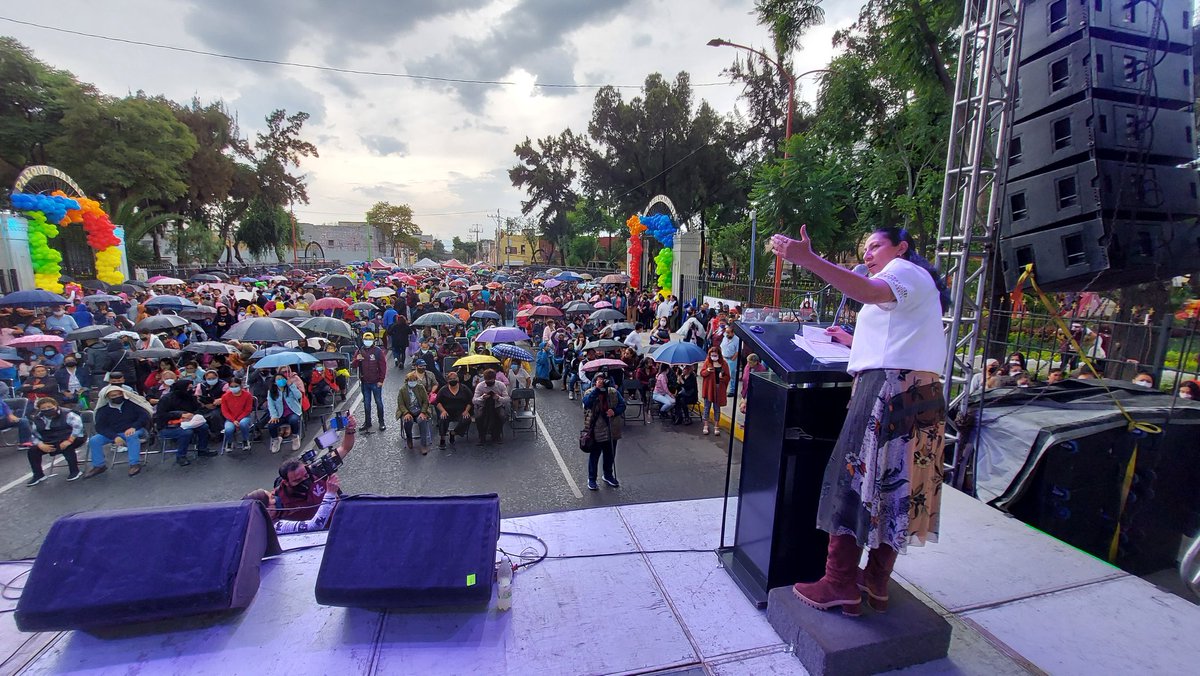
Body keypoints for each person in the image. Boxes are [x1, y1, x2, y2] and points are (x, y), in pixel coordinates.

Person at [771, 224, 948, 617]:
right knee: (900, 487)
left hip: (888, 389)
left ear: (901, 247)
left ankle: (839, 583)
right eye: (864, 248)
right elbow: (901, 335)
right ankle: (876, 581)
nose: (867, 254)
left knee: (854, 476)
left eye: (875, 246)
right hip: (920, 393)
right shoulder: (920, 283)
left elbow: (867, 291)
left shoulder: (901, 270)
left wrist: (808, 260)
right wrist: (854, 344)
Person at [85, 386, 152, 478]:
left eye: (118, 394)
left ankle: (134, 463)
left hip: (136, 430)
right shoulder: (103, 410)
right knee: (94, 440)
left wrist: (134, 427)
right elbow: (101, 427)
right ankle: (99, 465)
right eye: (113, 395)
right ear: (108, 397)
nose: (117, 397)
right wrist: (114, 437)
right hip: (114, 433)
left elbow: (144, 417)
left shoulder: (132, 404)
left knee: (131, 436)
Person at [245, 473, 342, 534]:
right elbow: (314, 526)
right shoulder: (278, 527)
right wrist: (330, 494)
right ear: (266, 510)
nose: (275, 499)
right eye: (271, 498)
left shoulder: (255, 527)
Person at [581, 370, 625, 491]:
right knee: (595, 455)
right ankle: (592, 479)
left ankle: (608, 475)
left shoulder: (613, 392)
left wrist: (615, 411)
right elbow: (587, 403)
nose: (602, 382)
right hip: (596, 430)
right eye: (599, 380)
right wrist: (596, 390)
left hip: (612, 429)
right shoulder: (590, 392)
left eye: (603, 380)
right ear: (595, 382)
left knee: (610, 454)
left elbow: (623, 405)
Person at [26, 397, 85, 486]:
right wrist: (40, 444)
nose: (47, 409)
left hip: (72, 437)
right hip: (50, 439)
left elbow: (78, 428)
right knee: (32, 450)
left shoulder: (68, 414)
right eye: (43, 408)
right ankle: (38, 475)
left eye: (49, 407)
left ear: (55, 405)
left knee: (66, 446)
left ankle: (75, 471)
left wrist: (69, 440)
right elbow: (34, 434)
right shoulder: (37, 418)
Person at [155, 379, 210, 465]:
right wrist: (180, 415)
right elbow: (161, 415)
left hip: (189, 422)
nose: (191, 390)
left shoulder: (191, 397)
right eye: (188, 388)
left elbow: (198, 409)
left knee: (204, 426)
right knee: (187, 432)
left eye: (192, 388)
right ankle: (181, 456)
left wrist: (193, 416)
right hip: (167, 426)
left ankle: (202, 449)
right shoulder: (166, 399)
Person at [353, 332, 387, 432]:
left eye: (369, 339)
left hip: (376, 382)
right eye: (366, 339)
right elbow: (354, 365)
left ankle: (381, 422)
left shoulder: (377, 351)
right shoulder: (360, 350)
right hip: (365, 382)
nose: (367, 341)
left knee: (379, 402)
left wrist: (381, 380)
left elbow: (383, 366)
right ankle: (367, 422)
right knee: (366, 404)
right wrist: (357, 360)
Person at [266, 372, 304, 454]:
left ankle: (295, 437)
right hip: (280, 415)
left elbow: (299, 396)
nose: (281, 380)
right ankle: (276, 440)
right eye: (278, 379)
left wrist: (292, 386)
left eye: (282, 378)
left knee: (293, 420)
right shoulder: (271, 392)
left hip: (292, 412)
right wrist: (274, 416)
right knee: (271, 425)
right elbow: (271, 405)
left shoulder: (290, 387)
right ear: (275, 383)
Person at [396, 371, 433, 453]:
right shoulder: (402, 390)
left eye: (414, 380)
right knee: (408, 421)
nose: (412, 382)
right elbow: (401, 404)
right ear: (407, 381)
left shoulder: (420, 388)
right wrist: (406, 413)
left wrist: (423, 412)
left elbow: (426, 402)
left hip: (420, 410)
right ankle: (409, 438)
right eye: (411, 380)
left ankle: (423, 445)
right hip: (408, 410)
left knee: (422, 421)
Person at [436, 371, 473, 448]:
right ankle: (442, 439)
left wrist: (466, 411)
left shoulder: (464, 388)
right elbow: (438, 402)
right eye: (451, 379)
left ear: (458, 379)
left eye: (454, 378)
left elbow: (470, 401)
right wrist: (443, 411)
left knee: (467, 419)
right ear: (447, 380)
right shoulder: (443, 389)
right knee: (442, 419)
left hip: (461, 411)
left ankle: (453, 433)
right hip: (447, 411)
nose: (453, 380)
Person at [472, 368, 509, 444]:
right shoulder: (480, 386)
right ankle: (481, 436)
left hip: (497, 406)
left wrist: (499, 398)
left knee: (502, 416)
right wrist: (482, 398)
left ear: (495, 379)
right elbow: (474, 400)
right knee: (478, 417)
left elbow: (507, 399)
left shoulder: (501, 385)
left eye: (491, 381)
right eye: (487, 381)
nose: (489, 383)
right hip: (483, 406)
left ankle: (497, 434)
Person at [699, 347, 730, 436]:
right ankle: (705, 425)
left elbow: (728, 377)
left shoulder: (724, 364)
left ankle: (716, 426)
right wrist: (707, 371)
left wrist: (722, 377)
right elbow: (702, 373)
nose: (713, 357)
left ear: (719, 355)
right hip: (709, 388)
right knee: (706, 407)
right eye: (712, 355)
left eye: (715, 355)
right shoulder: (707, 362)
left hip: (719, 389)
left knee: (717, 408)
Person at [221, 377, 255, 453]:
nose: (234, 388)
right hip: (230, 418)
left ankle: (245, 440)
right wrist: (233, 420)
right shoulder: (225, 396)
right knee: (228, 429)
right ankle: (229, 442)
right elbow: (225, 411)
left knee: (243, 424)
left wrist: (238, 419)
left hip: (244, 417)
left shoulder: (247, 395)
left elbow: (248, 410)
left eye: (236, 386)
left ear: (240, 386)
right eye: (231, 387)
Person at [719, 323, 740, 397]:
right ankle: (723, 389)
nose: (727, 334)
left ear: (732, 332)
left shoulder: (737, 339)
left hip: (732, 359)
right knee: (722, 375)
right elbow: (721, 346)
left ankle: (732, 390)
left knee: (731, 375)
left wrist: (733, 358)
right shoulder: (725, 337)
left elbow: (738, 351)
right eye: (726, 332)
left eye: (728, 333)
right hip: (724, 358)